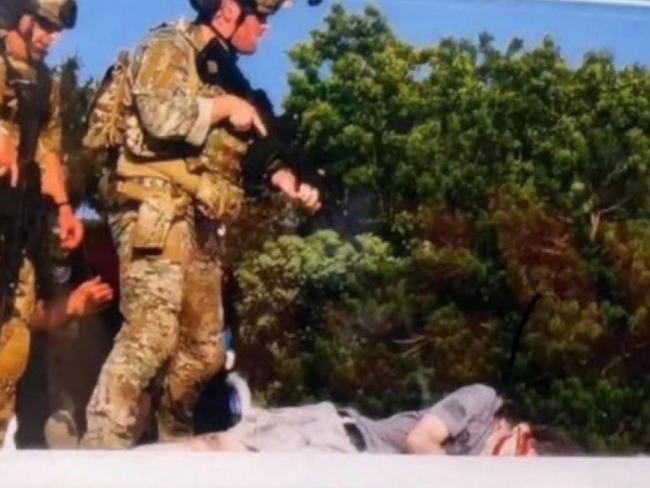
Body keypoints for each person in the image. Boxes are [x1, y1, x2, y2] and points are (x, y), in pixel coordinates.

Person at [82, 0, 322, 449]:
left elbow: (246, 147)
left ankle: (174, 446)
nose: (267, 30)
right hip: (151, 203)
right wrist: (224, 107)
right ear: (229, 10)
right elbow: (160, 114)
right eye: (262, 17)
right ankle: (99, 452)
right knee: (151, 333)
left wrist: (287, 177)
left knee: (204, 352)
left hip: (197, 215)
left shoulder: (224, 72)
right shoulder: (168, 45)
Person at [0, 0, 83, 447]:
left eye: (58, 29)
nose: (51, 37)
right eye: (46, 25)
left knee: (11, 348)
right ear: (21, 16)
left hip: (14, 226)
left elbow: (50, 151)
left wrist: (65, 207)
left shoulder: (44, 81)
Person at [144, 384, 544, 456]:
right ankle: (123, 468)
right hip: (339, 438)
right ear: (520, 429)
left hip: (346, 464)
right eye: (523, 451)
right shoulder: (484, 400)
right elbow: (419, 441)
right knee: (221, 453)